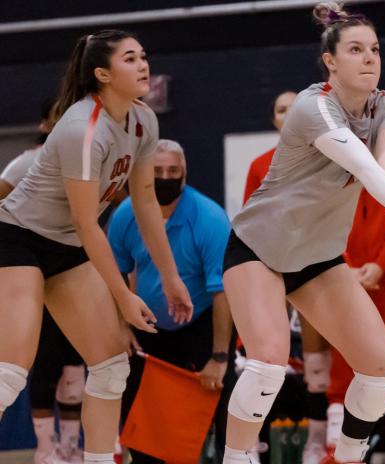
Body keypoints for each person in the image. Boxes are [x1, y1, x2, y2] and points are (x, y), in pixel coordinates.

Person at [221, 2, 385, 464]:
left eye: (374, 49)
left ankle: (346, 458)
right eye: (355, 50)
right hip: (259, 250)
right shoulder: (312, 105)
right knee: (267, 365)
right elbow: (361, 161)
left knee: (382, 373)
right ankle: (237, 459)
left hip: (317, 259)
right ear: (330, 62)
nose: (370, 58)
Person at [0, 29, 193, 464]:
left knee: (111, 369)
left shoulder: (144, 121)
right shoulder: (82, 130)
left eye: (143, 55)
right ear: (102, 74)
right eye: (130, 58)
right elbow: (89, 226)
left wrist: (170, 275)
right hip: (17, 239)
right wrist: (124, 297)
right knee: (9, 376)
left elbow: (145, 203)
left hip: (65, 244)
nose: (142, 64)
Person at [109, 138, 234, 463]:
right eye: (157, 171)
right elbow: (112, 276)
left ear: (185, 173)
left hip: (201, 323)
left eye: (172, 171)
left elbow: (222, 292)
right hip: (148, 324)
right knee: (141, 413)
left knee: (225, 400)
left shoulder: (210, 218)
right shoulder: (126, 215)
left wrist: (220, 356)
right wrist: (122, 326)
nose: (165, 177)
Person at [243, 90, 332, 464]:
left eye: (295, 108)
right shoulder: (261, 164)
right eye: (281, 109)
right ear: (275, 119)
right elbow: (250, 221)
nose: (288, 114)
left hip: (312, 265)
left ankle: (316, 440)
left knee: (316, 360)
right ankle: (253, 442)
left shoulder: (327, 159)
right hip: (273, 266)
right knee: (267, 359)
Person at [1, 98, 85, 464]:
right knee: (36, 369)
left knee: (76, 369)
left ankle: (71, 446)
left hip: (71, 266)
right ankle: (45, 449)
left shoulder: (84, 162)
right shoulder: (26, 163)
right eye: (57, 118)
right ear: (44, 126)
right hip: (31, 271)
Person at [323, 180, 385, 464]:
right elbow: (323, 216)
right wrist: (343, 264)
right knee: (342, 364)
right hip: (343, 273)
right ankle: (335, 451)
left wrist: (381, 265)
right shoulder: (331, 154)